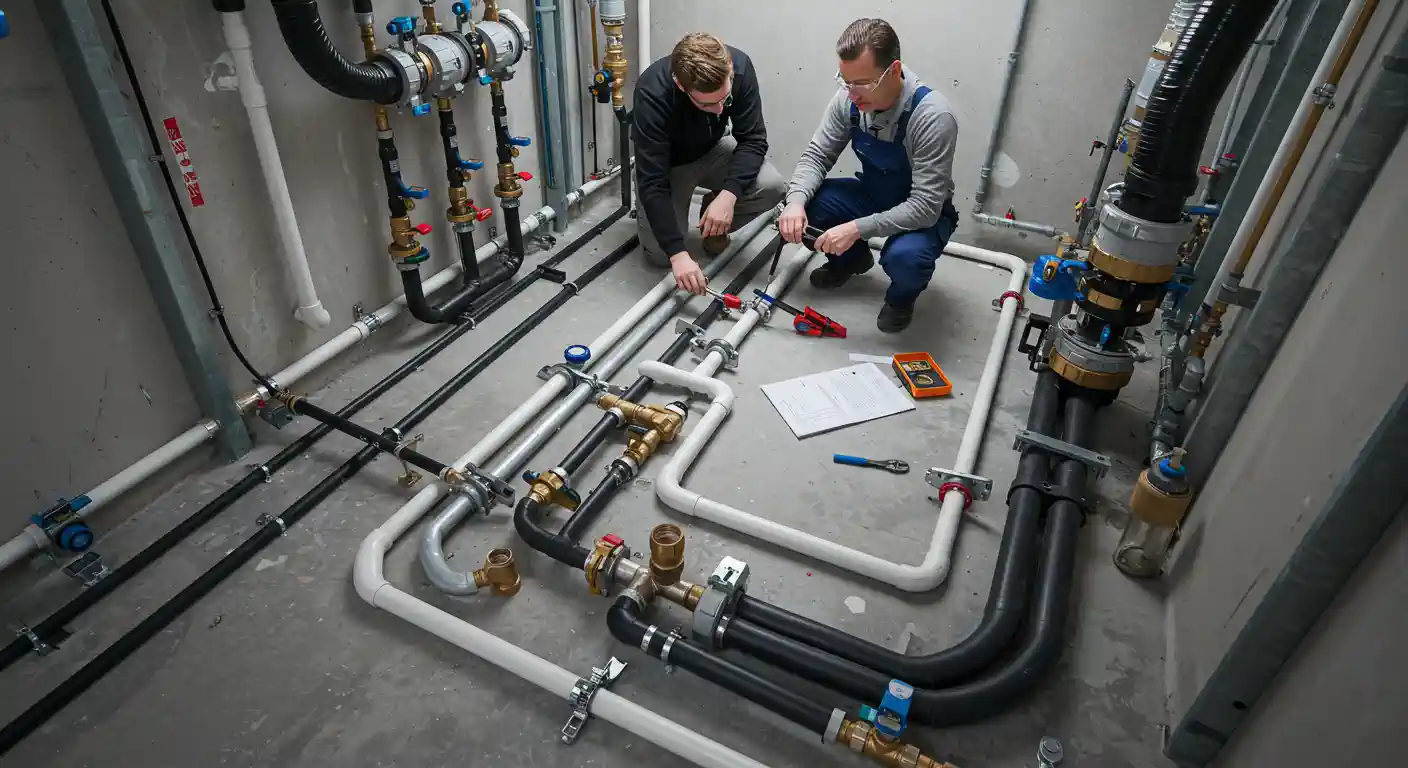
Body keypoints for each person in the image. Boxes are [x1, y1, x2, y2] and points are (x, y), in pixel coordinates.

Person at [780, 18, 960, 332]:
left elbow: (926, 206)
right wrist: (794, 202)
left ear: (893, 71)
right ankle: (850, 262)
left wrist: (855, 228)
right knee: (808, 208)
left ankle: (901, 299)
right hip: (874, 195)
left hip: (922, 213)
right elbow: (817, 156)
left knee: (906, 259)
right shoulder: (848, 100)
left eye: (862, 83)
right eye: (845, 81)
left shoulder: (932, 116)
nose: (851, 93)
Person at [634, 32, 787, 294]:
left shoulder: (740, 67)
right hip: (669, 166)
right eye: (707, 104)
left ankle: (714, 218)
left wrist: (728, 196)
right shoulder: (652, 93)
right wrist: (678, 255)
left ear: (729, 70)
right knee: (662, 256)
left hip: (714, 149)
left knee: (772, 186)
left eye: (724, 99)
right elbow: (653, 182)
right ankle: (695, 227)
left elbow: (753, 139)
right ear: (681, 87)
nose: (719, 110)